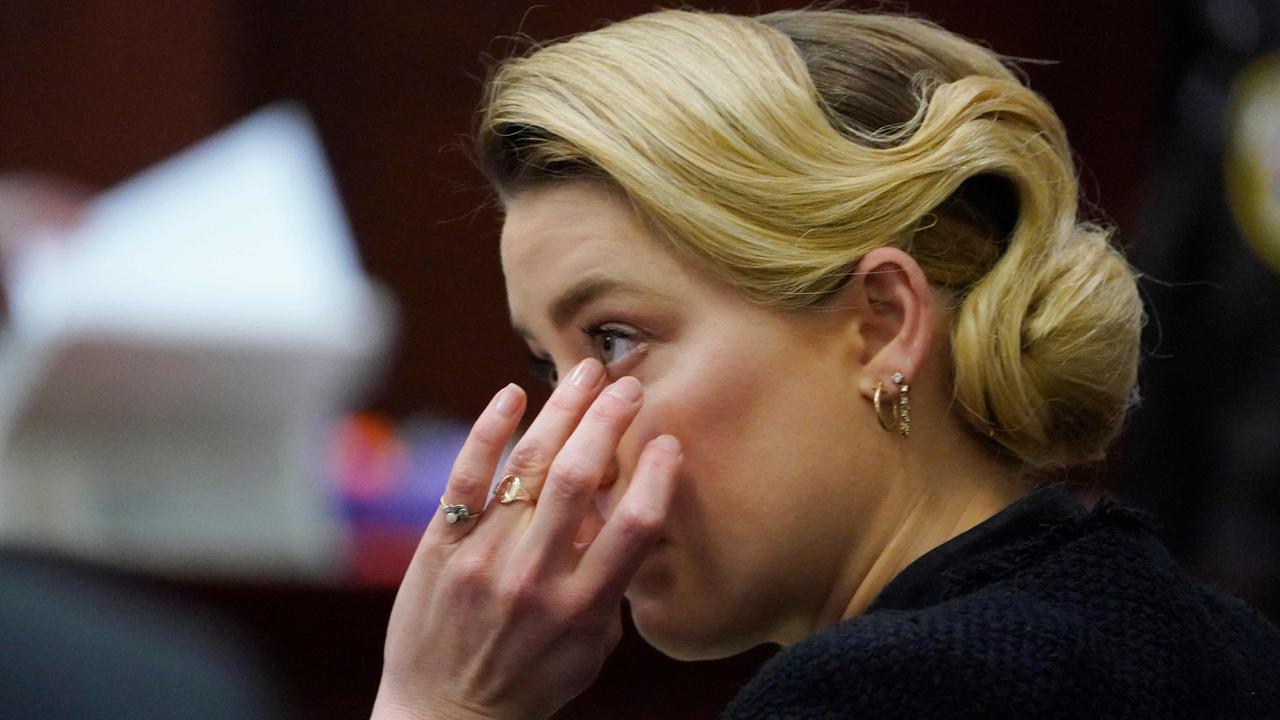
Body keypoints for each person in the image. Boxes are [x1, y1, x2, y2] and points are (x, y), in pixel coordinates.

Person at [371, 8, 1280, 719]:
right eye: (548, 366)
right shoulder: (1222, 642)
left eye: (614, 341)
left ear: (883, 325)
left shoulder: (893, 693)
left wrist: (439, 704)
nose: (571, 444)